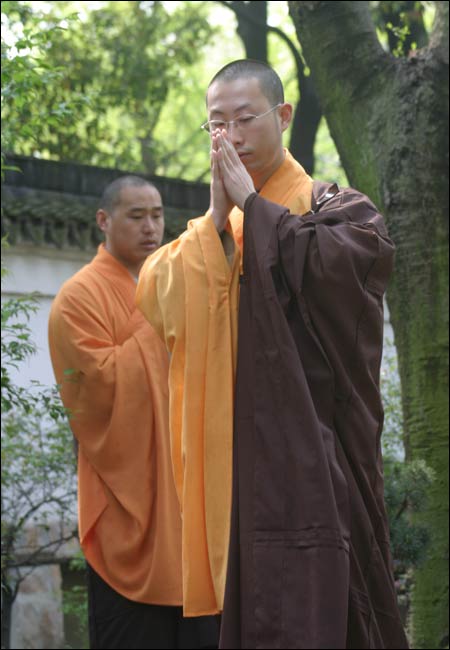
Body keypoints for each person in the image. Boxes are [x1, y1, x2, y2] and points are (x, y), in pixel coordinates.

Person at [136, 60, 409, 649]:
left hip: (312, 459)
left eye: (244, 119)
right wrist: (218, 216)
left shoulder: (330, 205)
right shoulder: (215, 228)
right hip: (235, 460)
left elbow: (357, 259)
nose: (230, 137)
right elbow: (156, 295)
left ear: (282, 116)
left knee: (319, 609)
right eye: (217, 124)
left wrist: (255, 210)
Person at [48, 176, 220, 650]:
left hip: (193, 508)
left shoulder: (175, 284)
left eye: (157, 216)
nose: (151, 228)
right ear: (103, 220)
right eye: (136, 216)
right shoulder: (77, 298)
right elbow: (97, 392)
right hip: (127, 511)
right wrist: (159, 313)